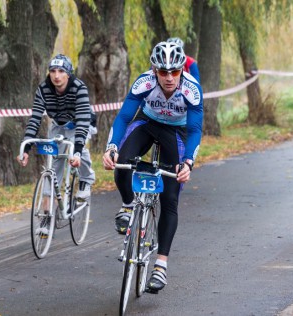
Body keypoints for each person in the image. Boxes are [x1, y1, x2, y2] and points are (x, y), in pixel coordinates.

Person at [102, 41, 203, 293]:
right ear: (154, 69)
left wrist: (188, 162)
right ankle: (127, 205)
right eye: (163, 71)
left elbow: (194, 130)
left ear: (182, 70)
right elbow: (124, 116)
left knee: (170, 196)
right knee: (123, 163)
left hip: (176, 132)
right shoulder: (144, 82)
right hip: (147, 122)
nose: (169, 78)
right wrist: (111, 146)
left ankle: (160, 265)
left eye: (174, 71)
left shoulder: (192, 89)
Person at [17, 54, 96, 221]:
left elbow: (83, 121)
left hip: (79, 122)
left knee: (77, 149)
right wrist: (26, 147)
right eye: (53, 71)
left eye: (61, 71)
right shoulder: (43, 89)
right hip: (58, 124)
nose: (56, 75)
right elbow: (35, 118)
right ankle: (47, 214)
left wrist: (77, 152)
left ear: (68, 73)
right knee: (53, 161)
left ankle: (86, 180)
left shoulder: (79, 87)